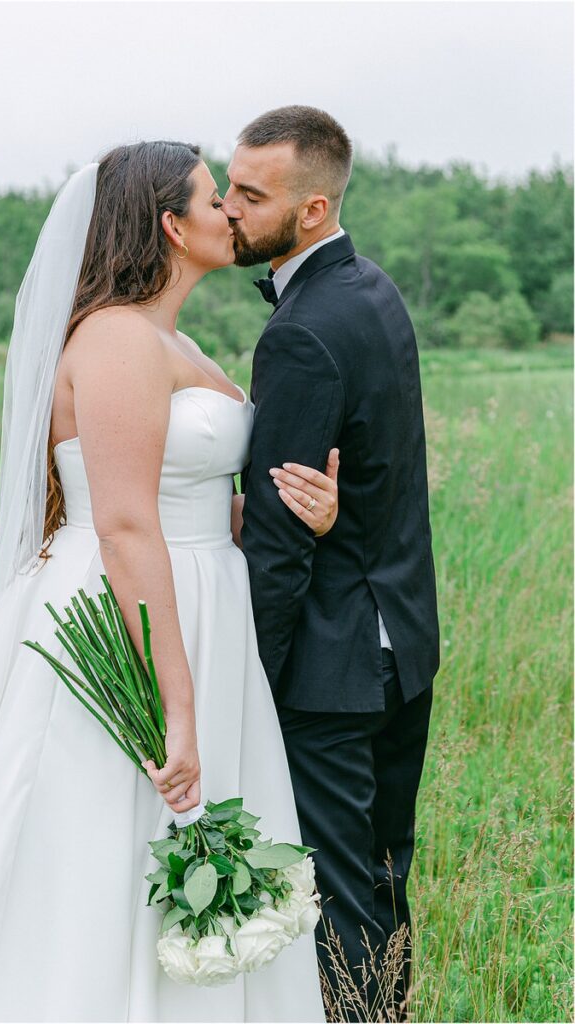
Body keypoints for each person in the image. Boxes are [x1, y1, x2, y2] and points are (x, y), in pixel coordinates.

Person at [0, 142, 339, 1022]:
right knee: (96, 839)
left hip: (201, 600)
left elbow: (193, 491)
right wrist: (178, 706)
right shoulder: (116, 340)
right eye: (215, 201)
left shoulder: (173, 338)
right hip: (126, 613)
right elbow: (129, 524)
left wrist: (293, 513)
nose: (231, 215)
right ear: (173, 226)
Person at [223, 106, 440, 1021]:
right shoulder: (375, 290)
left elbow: (276, 544)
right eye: (228, 185)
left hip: (331, 668)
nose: (230, 206)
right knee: (384, 874)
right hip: (402, 647)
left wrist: (251, 679)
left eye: (251, 193)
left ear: (311, 209)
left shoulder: (301, 332)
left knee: (342, 896)